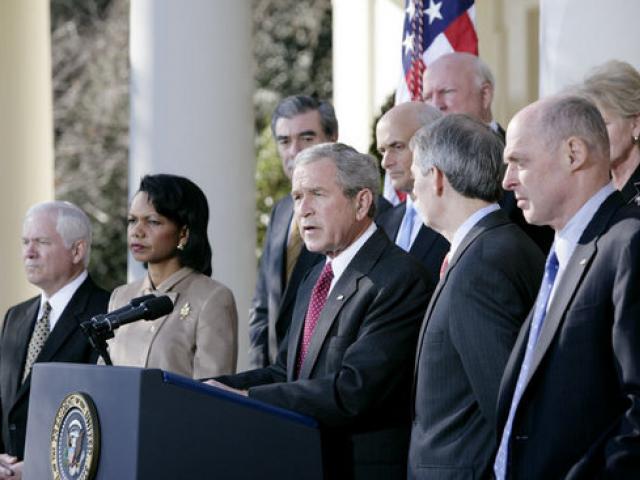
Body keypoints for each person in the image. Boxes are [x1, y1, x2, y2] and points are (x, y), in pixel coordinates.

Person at [208, 143, 433, 479]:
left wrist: (247, 396)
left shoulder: (398, 279)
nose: (304, 210)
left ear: (361, 203)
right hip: (305, 461)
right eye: (298, 197)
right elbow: (286, 372)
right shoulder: (315, 275)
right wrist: (211, 389)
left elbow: (354, 389)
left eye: (317, 194)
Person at [494, 95, 640, 478]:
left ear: (573, 153)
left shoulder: (629, 243)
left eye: (519, 162)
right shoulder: (561, 252)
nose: (506, 181)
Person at [407, 115, 544, 479]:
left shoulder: (481, 263)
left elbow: (505, 405)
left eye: (415, 173)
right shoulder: (496, 244)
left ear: (436, 177)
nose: (410, 189)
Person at [0, 201, 109, 479]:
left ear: (77, 250)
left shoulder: (107, 312)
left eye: (42, 242)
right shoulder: (16, 316)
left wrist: (41, 466)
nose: (29, 252)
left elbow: (102, 416)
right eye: (25, 242)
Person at [107, 174, 238, 378]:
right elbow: (102, 376)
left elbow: (213, 395)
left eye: (152, 222)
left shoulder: (213, 298)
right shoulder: (121, 296)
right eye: (132, 220)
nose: (137, 231)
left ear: (183, 233)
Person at [423, 52, 554, 253]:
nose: (435, 104)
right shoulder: (422, 168)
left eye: (446, 92)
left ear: (485, 95)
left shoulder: (526, 157)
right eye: (427, 97)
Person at [248, 95, 337, 369]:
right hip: (275, 379)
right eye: (284, 141)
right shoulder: (282, 211)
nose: (294, 150)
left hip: (325, 380)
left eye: (306, 138)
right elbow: (264, 307)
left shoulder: (357, 209)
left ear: (332, 138)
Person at [375, 102, 450, 281]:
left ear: (433, 144)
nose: (385, 162)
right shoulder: (382, 222)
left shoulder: (456, 220)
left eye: (397, 147)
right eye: (383, 150)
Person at [577, 59, 640, 204]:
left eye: (604, 124)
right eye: (590, 126)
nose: (593, 136)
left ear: (636, 124)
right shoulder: (590, 185)